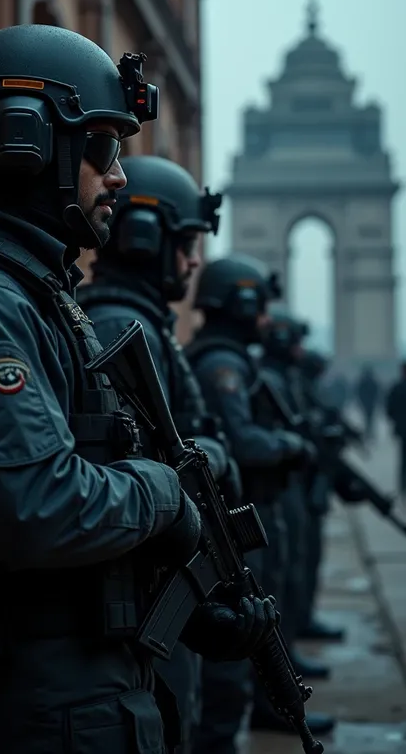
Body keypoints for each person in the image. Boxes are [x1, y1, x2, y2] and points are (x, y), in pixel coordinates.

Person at [0, 24, 276, 754]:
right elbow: (41, 507)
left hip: (90, 689)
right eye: (103, 148)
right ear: (26, 143)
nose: (119, 175)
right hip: (45, 705)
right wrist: (164, 492)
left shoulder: (39, 294)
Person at [76, 155, 240, 752]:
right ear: (147, 236)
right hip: (147, 602)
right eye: (188, 241)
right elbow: (140, 468)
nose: (195, 260)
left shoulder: (139, 323)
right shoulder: (124, 326)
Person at [186, 256, 334, 743]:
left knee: (273, 605)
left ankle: (272, 701)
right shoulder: (223, 363)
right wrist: (292, 446)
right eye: (260, 306)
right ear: (241, 302)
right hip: (237, 515)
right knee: (239, 645)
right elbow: (243, 441)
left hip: (253, 505)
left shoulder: (231, 358)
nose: (266, 320)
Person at [261, 308, 336, 733]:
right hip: (270, 492)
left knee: (291, 576)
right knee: (276, 584)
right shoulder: (229, 367)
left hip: (284, 488)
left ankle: (285, 669)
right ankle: (272, 697)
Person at [297, 349, 345, 643]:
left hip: (303, 481)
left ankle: (302, 621)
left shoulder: (298, 382)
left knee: (304, 560)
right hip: (289, 485)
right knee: (289, 570)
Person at [385, 362, 406, 498]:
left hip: (403, 429)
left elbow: (389, 409)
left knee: (404, 458)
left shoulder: (397, 388)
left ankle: (403, 485)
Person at [355, 366, 381, 441]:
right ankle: (369, 433)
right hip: (369, 403)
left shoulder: (363, 382)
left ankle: (368, 433)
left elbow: (359, 393)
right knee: (370, 419)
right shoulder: (373, 382)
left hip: (367, 403)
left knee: (368, 419)